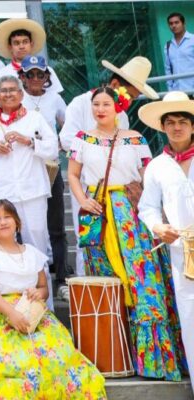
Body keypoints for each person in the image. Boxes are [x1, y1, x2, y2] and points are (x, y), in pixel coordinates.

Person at [68, 86, 187, 380]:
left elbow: (150, 178)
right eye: (96, 104)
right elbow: (72, 174)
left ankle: (155, 361)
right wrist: (83, 200)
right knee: (108, 281)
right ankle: (116, 355)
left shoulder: (136, 139)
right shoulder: (82, 139)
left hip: (132, 215)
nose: (100, 109)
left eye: (106, 104)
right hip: (100, 216)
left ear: (118, 107)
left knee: (143, 279)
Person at [0, 199, 106, 399]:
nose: (3, 222)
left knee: (58, 357)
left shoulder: (32, 253)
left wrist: (38, 294)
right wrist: (12, 314)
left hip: (33, 312)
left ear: (17, 222)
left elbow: (44, 289)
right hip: (0, 312)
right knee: (15, 362)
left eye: (7, 217)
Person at [58, 56, 158, 276]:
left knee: (131, 252)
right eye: (130, 95)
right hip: (90, 190)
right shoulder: (80, 105)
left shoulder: (128, 125)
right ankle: (91, 290)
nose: (129, 100)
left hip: (123, 195)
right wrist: (92, 145)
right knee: (90, 244)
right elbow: (66, 140)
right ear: (115, 85)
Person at [0, 76, 57, 308]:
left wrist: (28, 141)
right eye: (3, 91)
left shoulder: (35, 118)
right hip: (2, 193)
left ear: (21, 94)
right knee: (0, 249)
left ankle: (45, 308)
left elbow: (53, 149)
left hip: (32, 192)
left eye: (13, 90)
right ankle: (3, 306)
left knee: (37, 247)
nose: (8, 94)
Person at [138, 91, 194, 393]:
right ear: (163, 127)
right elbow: (146, 207)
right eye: (170, 122)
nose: (176, 127)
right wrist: (159, 227)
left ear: (192, 125)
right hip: (182, 250)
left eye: (182, 121)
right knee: (190, 316)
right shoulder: (157, 166)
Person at [17, 55, 69, 301]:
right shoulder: (18, 99)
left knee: (56, 224)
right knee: (26, 225)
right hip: (26, 168)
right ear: (23, 77)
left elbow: (67, 125)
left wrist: (59, 143)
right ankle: (28, 277)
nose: (36, 78)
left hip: (50, 167)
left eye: (40, 74)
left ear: (47, 76)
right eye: (31, 74)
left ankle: (61, 277)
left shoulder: (54, 98)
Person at [0, 19, 63, 101]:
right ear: (10, 47)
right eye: (16, 43)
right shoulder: (2, 73)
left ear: (31, 44)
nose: (21, 46)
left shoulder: (46, 70)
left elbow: (56, 99)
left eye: (25, 42)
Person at [164, 12, 194, 92]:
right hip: (177, 92)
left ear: (183, 23)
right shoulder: (168, 45)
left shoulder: (192, 40)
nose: (173, 26)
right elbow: (168, 69)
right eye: (171, 23)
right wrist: (170, 90)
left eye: (176, 22)